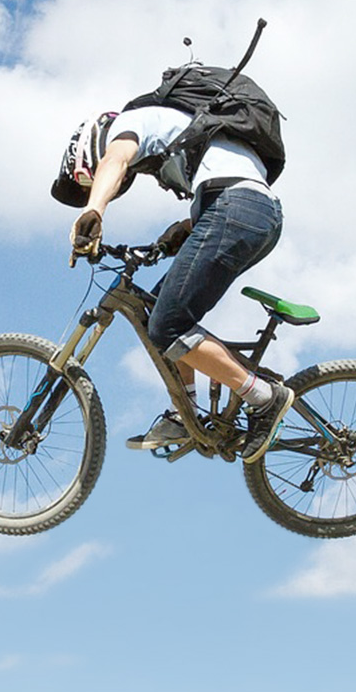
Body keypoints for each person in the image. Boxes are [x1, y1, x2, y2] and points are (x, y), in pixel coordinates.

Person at [52, 103, 293, 462]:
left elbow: (116, 159)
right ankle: (185, 413)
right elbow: (233, 182)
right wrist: (182, 230)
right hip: (256, 213)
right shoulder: (185, 132)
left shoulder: (128, 124)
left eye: (91, 179)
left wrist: (94, 210)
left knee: (167, 326)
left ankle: (263, 397)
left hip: (238, 208)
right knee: (160, 310)